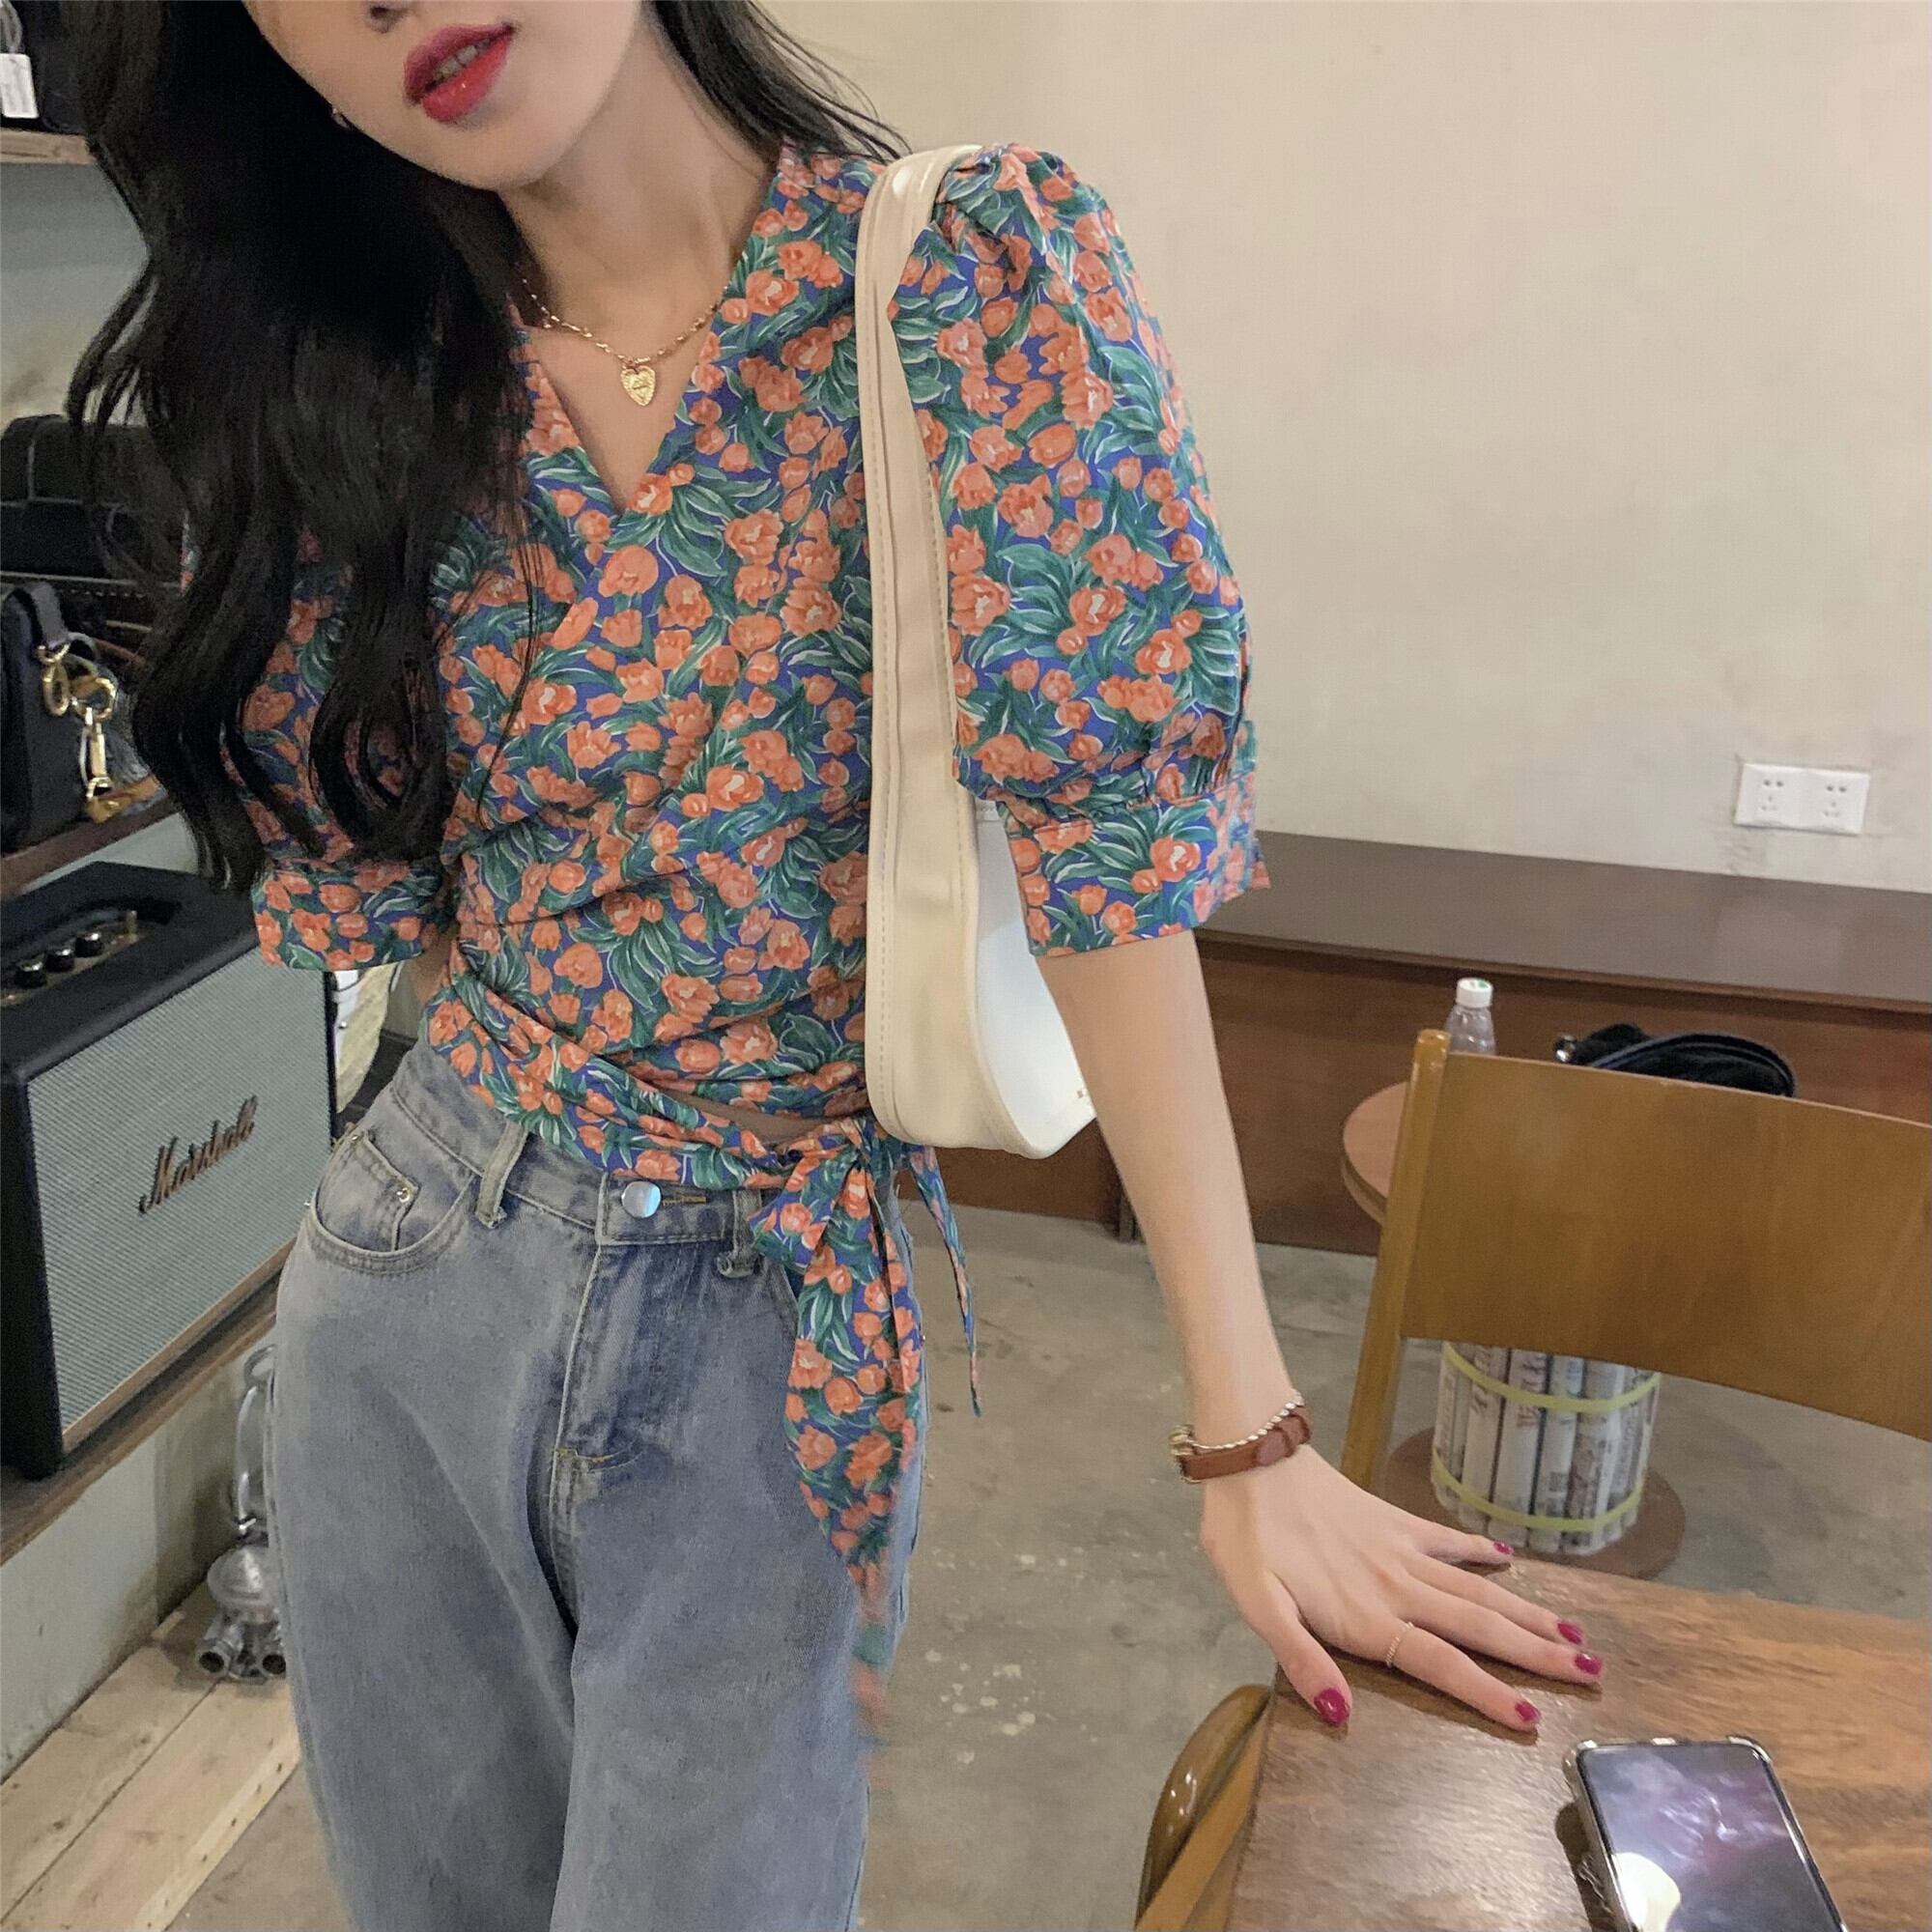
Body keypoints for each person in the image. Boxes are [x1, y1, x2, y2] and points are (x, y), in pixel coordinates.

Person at [69, 5, 1607, 1929]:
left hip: (765, 1325)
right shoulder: (358, 371)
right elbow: (403, 913)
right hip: (407, 1294)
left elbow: (1105, 847)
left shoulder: (961, 280)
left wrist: (1249, 1428)